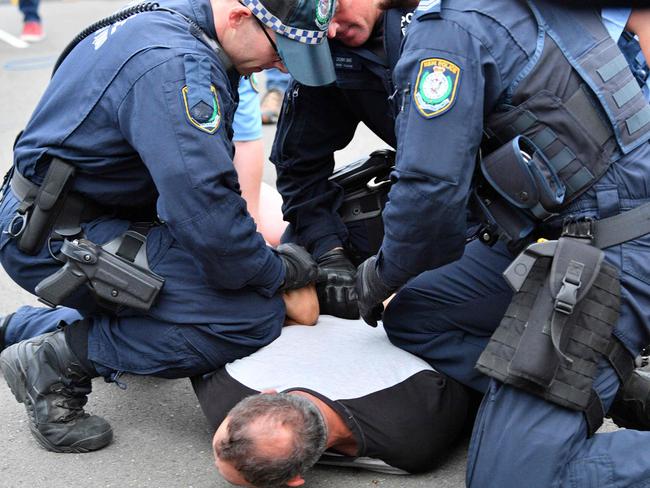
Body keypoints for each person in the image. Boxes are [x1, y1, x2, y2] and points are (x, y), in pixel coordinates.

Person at [0, 0, 337, 455]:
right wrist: (277, 272)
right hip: (57, 237)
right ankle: (53, 361)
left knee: (209, 281)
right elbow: (208, 216)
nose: (280, 64)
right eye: (281, 49)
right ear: (239, 17)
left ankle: (29, 327)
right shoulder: (179, 68)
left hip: (61, 214)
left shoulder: (173, 21)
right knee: (246, 316)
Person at [351, 0, 650, 486]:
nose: (331, 22)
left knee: (509, 478)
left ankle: (543, 419)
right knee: (415, 313)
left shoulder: (448, 30)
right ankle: (590, 393)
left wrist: (380, 273)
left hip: (605, 251)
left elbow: (430, 197)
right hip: (579, 227)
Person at [191, 315, 473, 486]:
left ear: (294, 481)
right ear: (267, 395)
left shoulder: (412, 439)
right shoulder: (223, 394)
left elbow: (472, 386)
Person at [270, 0, 414, 319]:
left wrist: (394, 270)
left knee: (416, 312)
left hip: (493, 198)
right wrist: (329, 251)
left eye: (333, 8)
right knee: (299, 258)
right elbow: (298, 164)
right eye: (319, 17)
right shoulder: (331, 47)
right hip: (418, 193)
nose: (330, 28)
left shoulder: (448, 25)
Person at [233, 75, 286, 245]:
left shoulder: (237, 72)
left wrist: (253, 232)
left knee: (282, 232)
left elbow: (245, 141)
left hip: (218, 181)